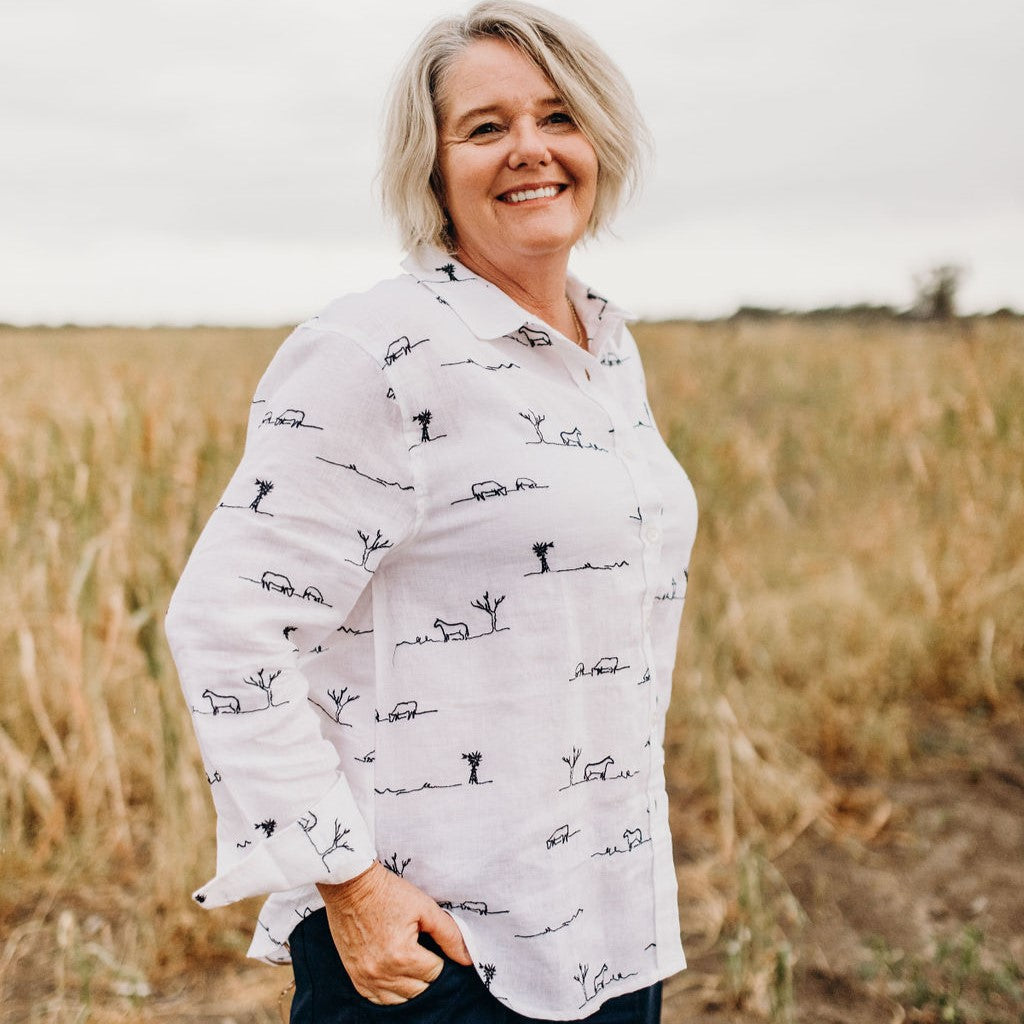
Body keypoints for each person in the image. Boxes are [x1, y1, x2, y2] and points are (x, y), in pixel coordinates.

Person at [164, 2, 698, 1021]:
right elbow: (226, 627)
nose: (530, 149)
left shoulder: (603, 347)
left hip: (609, 916)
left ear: (599, 140)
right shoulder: (375, 351)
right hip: (436, 951)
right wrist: (349, 886)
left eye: (558, 116)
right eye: (486, 127)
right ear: (432, 166)